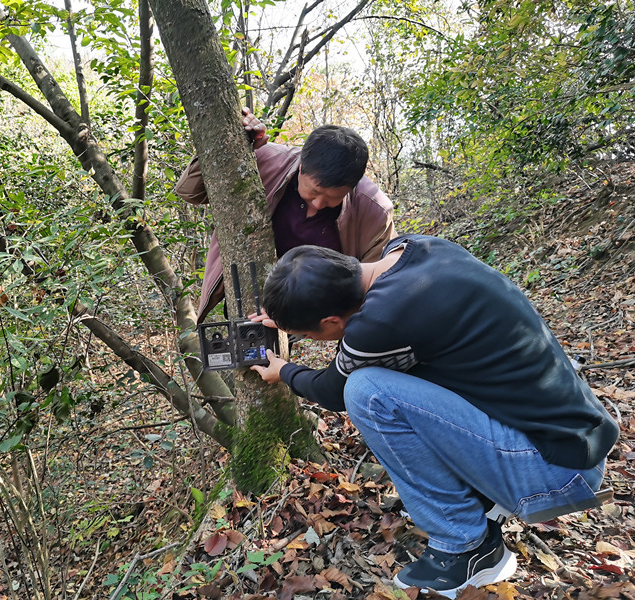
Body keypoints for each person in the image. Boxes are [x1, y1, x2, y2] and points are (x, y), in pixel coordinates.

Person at [249, 237, 620, 598]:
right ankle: (483, 502)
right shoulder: (417, 249)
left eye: (306, 333)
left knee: (366, 391)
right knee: (397, 375)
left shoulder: (379, 323)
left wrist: (283, 370)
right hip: (574, 442)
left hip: (555, 473)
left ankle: (466, 547)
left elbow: (331, 391)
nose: (308, 339)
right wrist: (290, 312)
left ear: (331, 320)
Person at [175, 108, 396, 323]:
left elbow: (375, 287)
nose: (319, 204)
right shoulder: (268, 160)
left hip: (313, 308)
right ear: (301, 167)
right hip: (244, 295)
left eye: (333, 198)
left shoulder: (374, 211)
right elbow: (190, 191)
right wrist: (232, 145)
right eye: (314, 191)